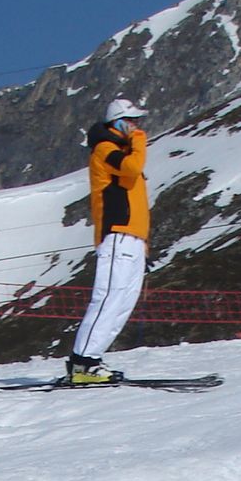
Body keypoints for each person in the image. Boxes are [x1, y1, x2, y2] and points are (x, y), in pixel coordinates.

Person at [66, 97, 151, 385]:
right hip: (117, 234)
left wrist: (143, 243)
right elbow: (132, 168)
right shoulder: (105, 149)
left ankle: (93, 358)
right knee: (109, 297)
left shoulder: (121, 150)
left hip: (133, 238)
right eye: (132, 121)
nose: (137, 126)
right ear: (117, 123)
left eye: (138, 122)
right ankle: (83, 362)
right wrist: (139, 141)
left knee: (124, 300)